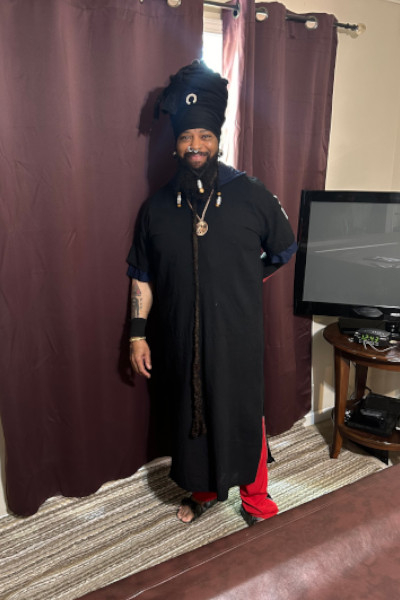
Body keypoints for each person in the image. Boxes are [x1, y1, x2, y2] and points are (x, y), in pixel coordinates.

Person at [127, 60, 297, 526]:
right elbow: (142, 275)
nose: (195, 145)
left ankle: (256, 501)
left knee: (243, 413)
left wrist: (243, 277)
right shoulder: (157, 207)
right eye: (186, 137)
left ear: (217, 140)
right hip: (179, 336)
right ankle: (204, 489)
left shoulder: (251, 193)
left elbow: (283, 249)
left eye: (204, 136)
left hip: (237, 334)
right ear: (176, 144)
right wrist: (137, 335)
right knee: (192, 411)